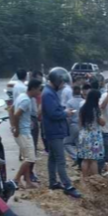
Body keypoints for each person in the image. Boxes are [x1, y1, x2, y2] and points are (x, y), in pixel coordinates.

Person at [42, 69, 82, 198]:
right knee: (61, 160)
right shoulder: (48, 94)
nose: (63, 85)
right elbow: (53, 114)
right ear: (56, 81)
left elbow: (55, 109)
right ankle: (68, 186)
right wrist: (66, 113)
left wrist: (64, 110)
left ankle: (53, 182)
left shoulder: (51, 92)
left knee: (53, 158)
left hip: (55, 130)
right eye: (61, 82)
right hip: (54, 131)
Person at [12, 79, 42, 189]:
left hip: (23, 132)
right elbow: (16, 114)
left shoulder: (21, 96)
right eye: (39, 89)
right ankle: (16, 179)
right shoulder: (26, 100)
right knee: (30, 159)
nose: (39, 92)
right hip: (24, 133)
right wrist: (17, 129)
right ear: (33, 88)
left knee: (26, 158)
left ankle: (28, 181)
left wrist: (13, 127)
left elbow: (11, 110)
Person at [77, 89, 105, 178]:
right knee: (93, 160)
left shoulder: (82, 108)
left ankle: (84, 179)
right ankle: (96, 179)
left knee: (85, 159)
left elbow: (80, 124)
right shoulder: (96, 110)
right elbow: (102, 123)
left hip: (84, 135)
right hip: (94, 137)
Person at [64, 85, 84, 164]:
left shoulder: (70, 102)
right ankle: (81, 158)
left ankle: (76, 158)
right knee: (79, 144)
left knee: (66, 143)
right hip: (82, 125)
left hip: (73, 125)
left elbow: (68, 116)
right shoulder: (83, 101)